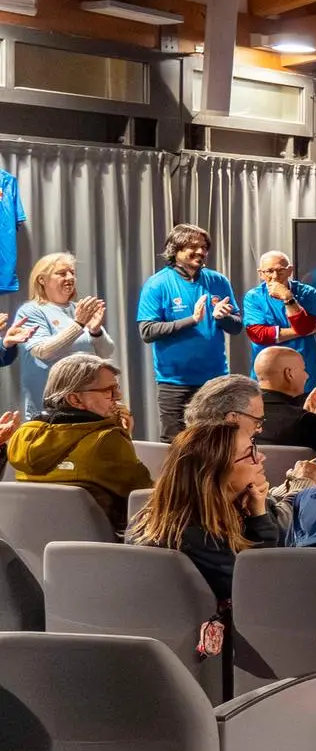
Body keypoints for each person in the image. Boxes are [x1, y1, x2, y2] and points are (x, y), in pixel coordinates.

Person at [126, 422, 283, 603]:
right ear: (216, 471)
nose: (261, 457)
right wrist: (259, 517)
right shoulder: (198, 538)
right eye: (249, 454)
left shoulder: (146, 516)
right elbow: (260, 584)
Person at [4, 356, 151, 530]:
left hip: (33, 540)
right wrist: (122, 436)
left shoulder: (21, 436)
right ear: (75, 400)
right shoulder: (107, 439)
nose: (118, 396)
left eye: (116, 388)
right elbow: (145, 496)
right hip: (103, 543)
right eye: (109, 391)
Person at [136, 223, 242, 437]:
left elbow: (237, 327)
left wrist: (223, 318)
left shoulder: (218, 281)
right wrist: (192, 320)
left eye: (204, 247)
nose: (201, 251)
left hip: (215, 381)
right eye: (193, 246)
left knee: (217, 442)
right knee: (176, 444)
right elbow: (147, 331)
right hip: (174, 383)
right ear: (175, 249)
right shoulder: (157, 284)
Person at [9, 251, 114, 420]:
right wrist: (78, 324)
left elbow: (107, 352)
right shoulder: (31, 311)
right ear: (42, 280)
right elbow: (42, 351)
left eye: (72, 272)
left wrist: (96, 331)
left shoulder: (79, 309)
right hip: (50, 408)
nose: (70, 277)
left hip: (88, 403)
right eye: (62, 273)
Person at [241, 250, 316, 392]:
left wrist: (288, 298)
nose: (275, 276)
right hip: (268, 371)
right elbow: (258, 334)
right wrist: (301, 331)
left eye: (280, 271)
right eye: (269, 271)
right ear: (261, 273)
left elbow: (305, 326)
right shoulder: (253, 297)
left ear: (290, 271)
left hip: (303, 369)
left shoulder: (307, 293)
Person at [249, 346, 316, 450]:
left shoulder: (238, 414)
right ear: (289, 374)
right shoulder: (303, 421)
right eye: (303, 369)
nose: (307, 376)